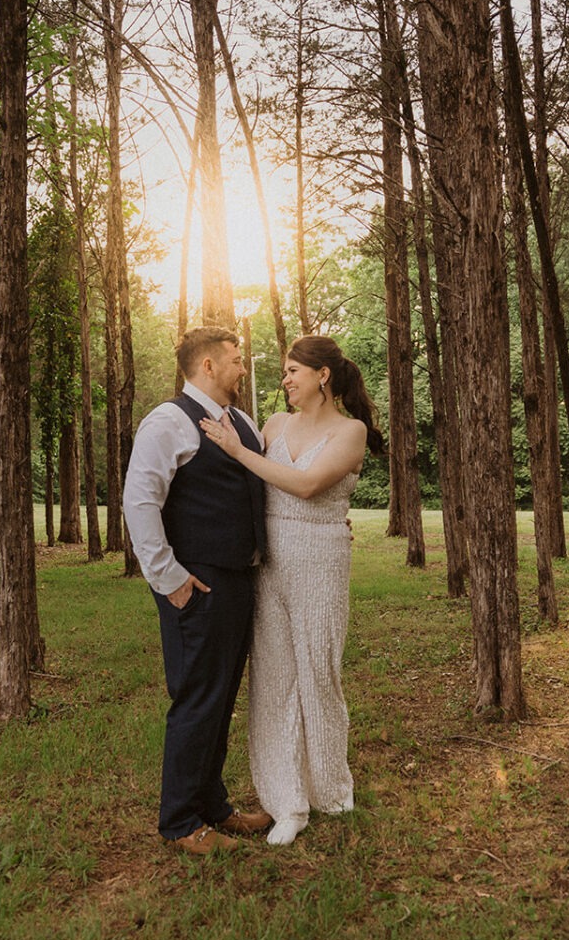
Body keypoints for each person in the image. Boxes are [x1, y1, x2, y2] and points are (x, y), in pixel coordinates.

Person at [200, 334, 384, 845]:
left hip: (321, 559)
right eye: (283, 373)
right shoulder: (275, 425)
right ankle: (287, 803)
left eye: (292, 372)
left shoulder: (353, 431)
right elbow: (249, 482)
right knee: (273, 679)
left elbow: (305, 485)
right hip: (270, 561)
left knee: (318, 671)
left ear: (322, 375)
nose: (284, 381)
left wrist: (239, 450)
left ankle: (329, 785)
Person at [123, 327, 274, 856]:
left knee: (222, 696)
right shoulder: (167, 421)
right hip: (199, 584)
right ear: (208, 366)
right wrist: (170, 581)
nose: (243, 369)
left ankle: (213, 805)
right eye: (235, 360)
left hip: (239, 580)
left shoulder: (243, 423)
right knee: (197, 699)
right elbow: (140, 503)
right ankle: (180, 821)